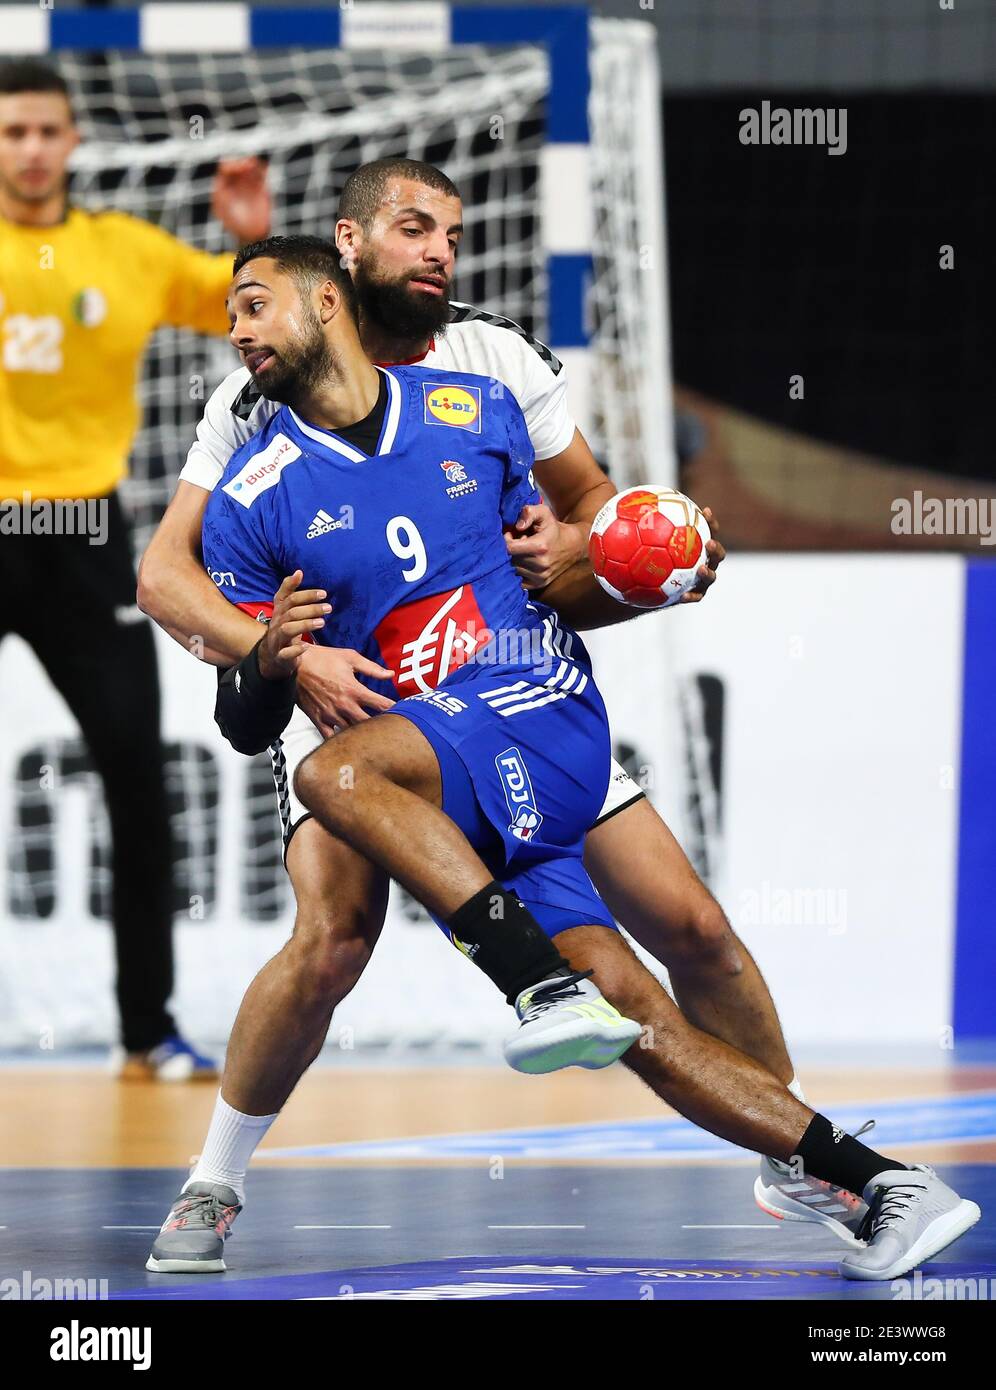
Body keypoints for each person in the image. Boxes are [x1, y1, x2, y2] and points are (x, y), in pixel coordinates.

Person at [147, 238, 980, 1281]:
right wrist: (271, 658)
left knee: (341, 779)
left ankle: (537, 989)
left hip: (537, 709)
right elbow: (243, 720)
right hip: (447, 774)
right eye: (230, 314)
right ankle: (879, 1183)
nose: (236, 330)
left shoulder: (476, 408)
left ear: (327, 299)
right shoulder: (252, 491)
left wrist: (644, 567)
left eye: (256, 305)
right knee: (629, 1013)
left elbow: (571, 567)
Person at [0, 59, 270, 1079]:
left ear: (73, 142)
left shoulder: (124, 251)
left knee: (137, 781)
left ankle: (145, 1029)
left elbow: (244, 312)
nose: (29, 148)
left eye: (44, 131)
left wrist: (249, 236)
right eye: (11, 130)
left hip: (82, 536)